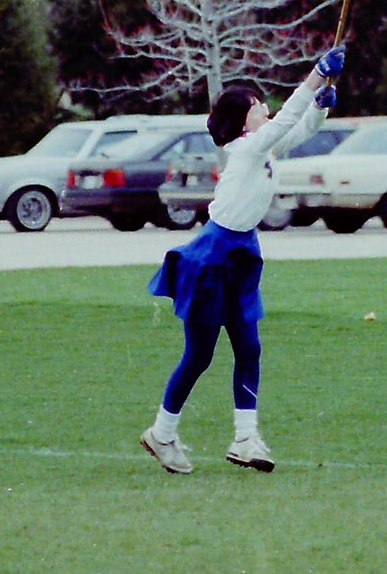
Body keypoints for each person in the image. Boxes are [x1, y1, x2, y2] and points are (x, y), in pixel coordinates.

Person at [140, 46, 347, 474]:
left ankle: (246, 438)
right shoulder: (247, 148)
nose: (265, 109)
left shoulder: (262, 145)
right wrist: (313, 77)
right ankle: (162, 433)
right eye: (256, 106)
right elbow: (286, 120)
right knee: (199, 355)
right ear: (242, 122)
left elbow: (298, 130)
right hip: (213, 255)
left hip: (241, 253)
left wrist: (321, 108)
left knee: (249, 347)